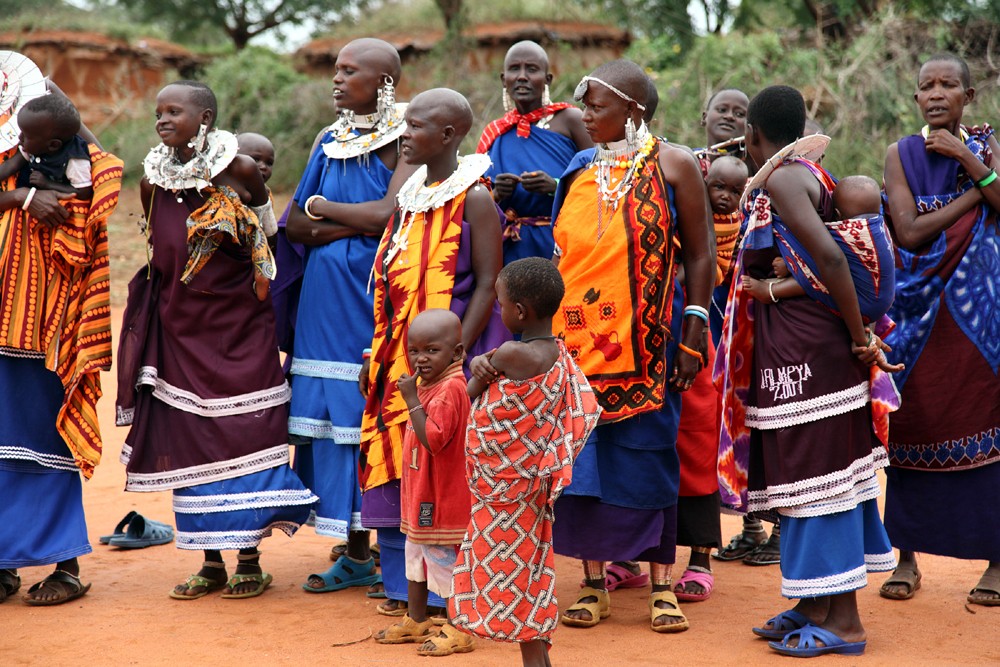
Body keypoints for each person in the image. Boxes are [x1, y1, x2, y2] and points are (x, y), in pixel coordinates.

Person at [716, 85, 900, 657]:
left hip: (809, 352)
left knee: (823, 477)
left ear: (751, 135)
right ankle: (813, 602)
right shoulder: (806, 174)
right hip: (796, 350)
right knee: (804, 478)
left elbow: (825, 256)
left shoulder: (782, 178)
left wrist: (857, 335)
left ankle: (844, 621)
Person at [117, 80, 317, 600]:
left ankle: (249, 558)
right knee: (191, 441)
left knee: (247, 434)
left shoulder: (240, 170)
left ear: (205, 117)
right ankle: (210, 562)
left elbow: (269, 243)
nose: (163, 119)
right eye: (158, 111)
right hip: (179, 334)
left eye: (174, 111)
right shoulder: (151, 180)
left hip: (239, 328)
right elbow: (159, 253)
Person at [543, 60, 714, 634]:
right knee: (584, 468)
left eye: (595, 106)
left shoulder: (675, 164)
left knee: (648, 459)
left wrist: (693, 327)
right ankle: (594, 586)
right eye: (584, 105)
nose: (584, 115)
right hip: (577, 350)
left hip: (650, 346)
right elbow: (561, 257)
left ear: (633, 110)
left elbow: (699, 254)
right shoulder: (578, 167)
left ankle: (661, 587)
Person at [358, 87, 508, 633]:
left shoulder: (476, 198)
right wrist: (376, 356)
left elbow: (490, 282)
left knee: (445, 471)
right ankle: (408, 597)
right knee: (402, 468)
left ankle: (455, 606)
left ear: (448, 135)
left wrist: (455, 364)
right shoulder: (410, 194)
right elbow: (387, 285)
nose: (404, 136)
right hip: (402, 353)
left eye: (416, 127)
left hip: (447, 358)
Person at [283, 39, 417, 609]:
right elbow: (293, 224)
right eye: (335, 70)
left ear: (385, 80)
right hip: (320, 301)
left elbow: (390, 213)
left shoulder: (407, 135)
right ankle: (352, 547)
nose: (336, 80)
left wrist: (325, 213)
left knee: (367, 416)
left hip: (372, 299)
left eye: (349, 71)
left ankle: (369, 550)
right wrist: (349, 224)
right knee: (326, 423)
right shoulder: (328, 138)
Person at [0, 51, 122, 605]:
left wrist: (51, 96)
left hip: (44, 324)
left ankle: (65, 564)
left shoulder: (61, 144)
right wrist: (21, 195)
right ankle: (4, 564)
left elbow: (105, 177)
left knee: (44, 438)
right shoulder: (14, 147)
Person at [880, 53, 1000, 607]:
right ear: (915, 99)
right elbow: (906, 234)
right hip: (919, 315)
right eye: (925, 85)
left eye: (948, 84)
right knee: (913, 423)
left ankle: (996, 563)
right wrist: (978, 193)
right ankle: (906, 555)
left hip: (981, 319)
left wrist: (968, 162)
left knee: (989, 424)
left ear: (967, 96)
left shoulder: (988, 148)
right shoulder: (899, 154)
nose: (935, 93)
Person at [452, 257, 601, 667]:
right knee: (533, 571)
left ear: (519, 312)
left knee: (513, 579)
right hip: (531, 489)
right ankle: (539, 658)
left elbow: (469, 398)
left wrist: (482, 366)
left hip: (501, 496)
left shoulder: (510, 355)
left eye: (500, 304)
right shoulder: (558, 353)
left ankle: (537, 660)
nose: (499, 311)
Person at [373, 309, 474, 655]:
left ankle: (458, 627)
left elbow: (434, 439)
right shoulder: (431, 384)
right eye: (413, 351)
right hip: (421, 492)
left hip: (440, 497)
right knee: (415, 556)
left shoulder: (449, 389)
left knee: (443, 560)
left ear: (456, 353)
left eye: (431, 350)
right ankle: (417, 620)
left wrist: (412, 399)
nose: (420, 358)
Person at [477, 40, 593, 264]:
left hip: (563, 243)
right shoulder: (494, 133)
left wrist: (556, 187)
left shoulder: (571, 120)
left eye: (532, 69)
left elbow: (601, 179)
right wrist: (496, 193)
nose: (522, 76)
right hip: (510, 249)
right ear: (504, 79)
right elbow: (475, 202)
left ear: (547, 79)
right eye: (514, 69)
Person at [741, 174, 894, 317]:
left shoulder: (849, 233)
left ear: (837, 215)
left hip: (862, 305)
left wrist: (789, 264)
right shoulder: (879, 228)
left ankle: (772, 291)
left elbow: (825, 258)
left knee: (826, 271)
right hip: (884, 301)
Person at [0, 94, 93, 201]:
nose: (20, 137)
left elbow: (84, 192)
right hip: (26, 198)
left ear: (53, 145)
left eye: (26, 136)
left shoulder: (74, 160)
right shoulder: (37, 144)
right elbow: (11, 165)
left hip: (52, 208)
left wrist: (48, 184)